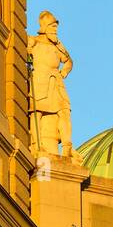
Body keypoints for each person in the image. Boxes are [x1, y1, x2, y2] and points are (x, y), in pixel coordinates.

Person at [28, 10, 75, 157]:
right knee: (37, 112)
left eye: (56, 27)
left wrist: (64, 72)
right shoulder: (32, 41)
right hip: (39, 81)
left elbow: (68, 61)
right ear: (44, 27)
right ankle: (37, 145)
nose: (55, 30)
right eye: (52, 26)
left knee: (64, 111)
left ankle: (67, 146)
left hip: (56, 83)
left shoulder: (57, 45)